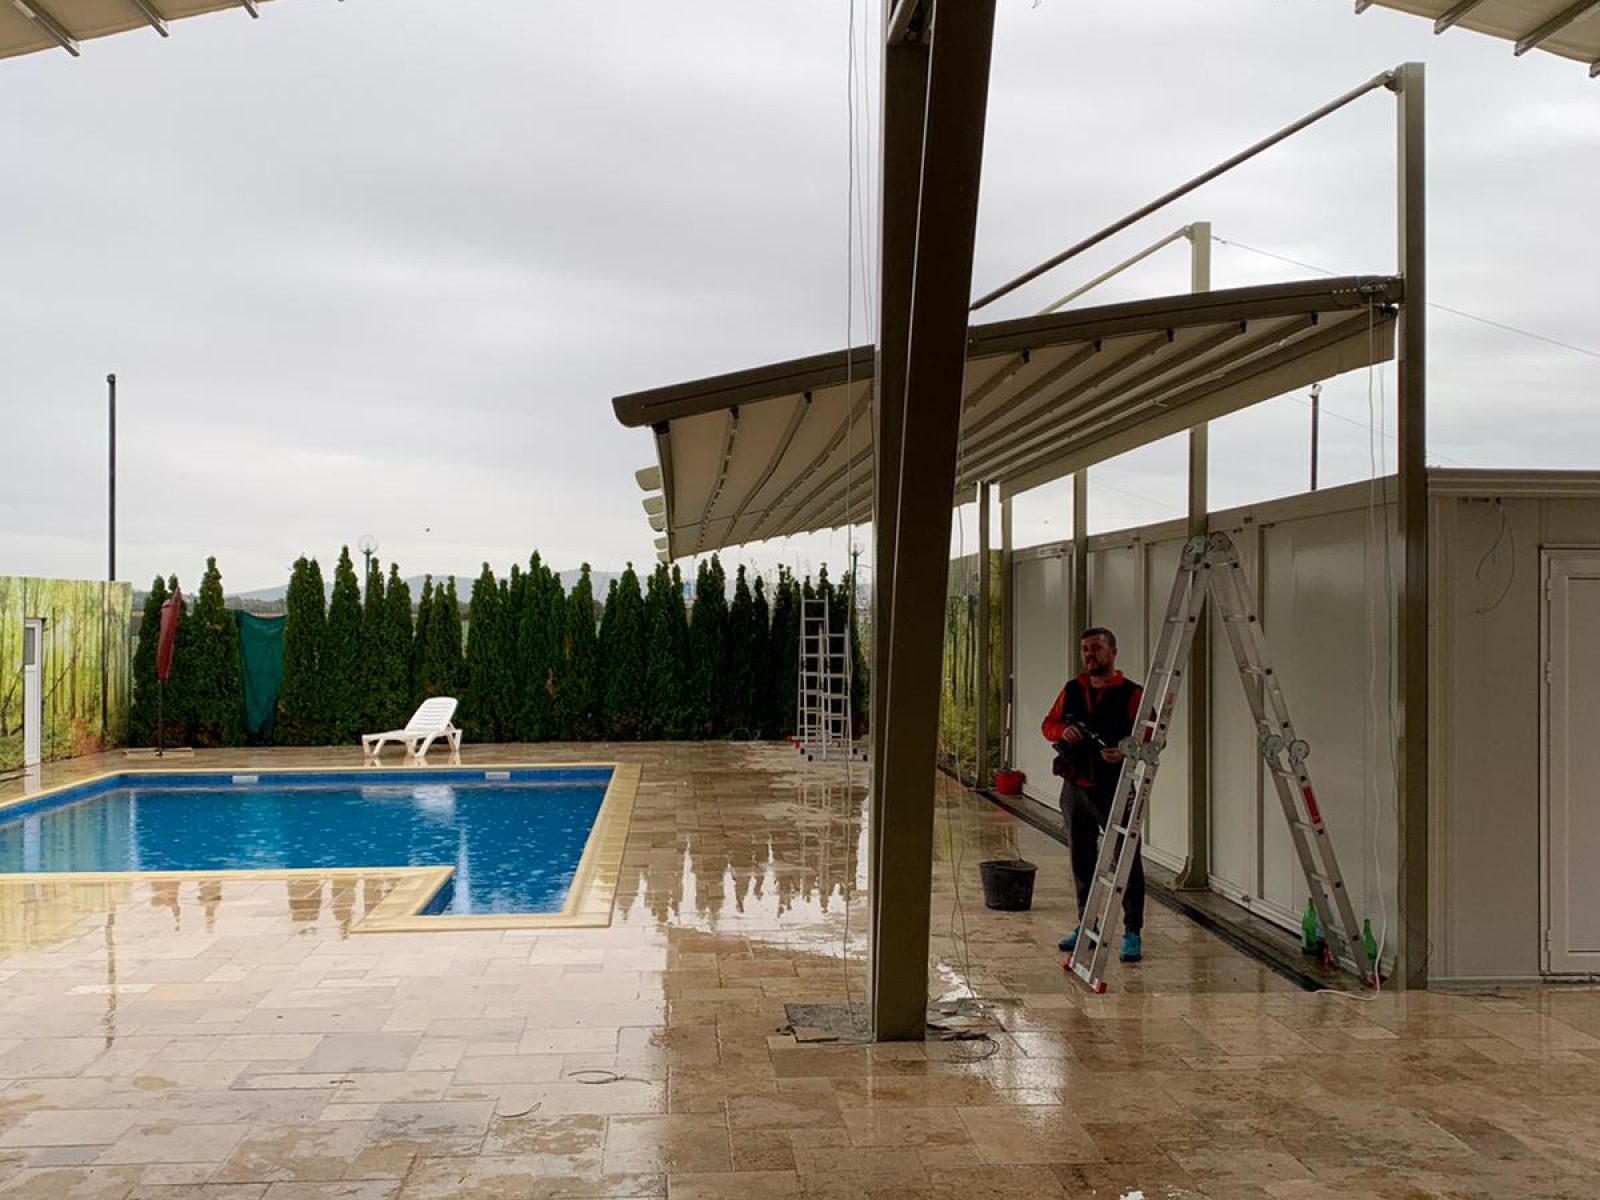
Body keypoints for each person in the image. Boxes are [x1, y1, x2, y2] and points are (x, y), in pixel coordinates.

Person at [1040, 626, 1146, 963]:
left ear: (1113, 652)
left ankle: (1132, 931)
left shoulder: (1133, 694)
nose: (1089, 655)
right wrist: (1063, 731)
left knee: (1126, 857)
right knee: (1081, 858)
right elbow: (1048, 724)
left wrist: (1126, 752)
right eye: (1085, 649)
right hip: (1075, 787)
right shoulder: (1072, 690)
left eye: (1096, 648)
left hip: (1114, 788)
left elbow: (1151, 739)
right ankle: (1087, 923)